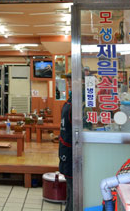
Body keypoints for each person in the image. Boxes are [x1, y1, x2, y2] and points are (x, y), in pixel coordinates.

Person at [58, 73, 73, 211]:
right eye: (68, 81)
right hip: (66, 150)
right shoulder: (70, 102)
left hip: (71, 151)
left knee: (74, 191)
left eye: (70, 80)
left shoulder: (79, 103)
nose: (68, 83)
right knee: (71, 189)